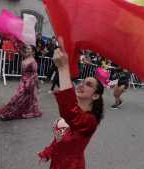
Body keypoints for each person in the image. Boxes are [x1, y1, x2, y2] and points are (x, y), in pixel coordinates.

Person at [38, 37, 105, 169]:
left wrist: (63, 68)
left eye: (89, 85)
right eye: (82, 81)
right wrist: (48, 152)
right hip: (56, 163)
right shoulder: (74, 112)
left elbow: (70, 113)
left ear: (96, 96)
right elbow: (61, 138)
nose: (81, 85)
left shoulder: (90, 121)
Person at [0, 45, 42, 120]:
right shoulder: (26, 58)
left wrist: (38, 87)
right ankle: (9, 113)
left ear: (33, 51)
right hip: (23, 80)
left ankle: (9, 114)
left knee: (19, 97)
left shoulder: (33, 61)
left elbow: (35, 75)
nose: (27, 50)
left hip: (29, 82)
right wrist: (16, 44)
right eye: (27, 48)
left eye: (29, 49)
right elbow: (20, 52)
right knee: (21, 98)